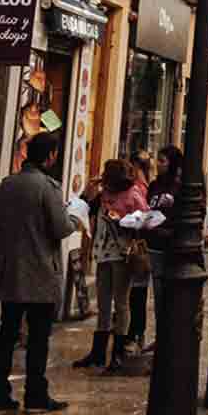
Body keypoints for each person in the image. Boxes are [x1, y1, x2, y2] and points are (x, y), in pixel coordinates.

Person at [0, 132, 83, 413]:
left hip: (10, 269)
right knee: (38, 338)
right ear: (51, 156)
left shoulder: (7, 184)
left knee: (7, 334)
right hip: (40, 271)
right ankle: (36, 395)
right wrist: (75, 217)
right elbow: (61, 228)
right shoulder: (47, 187)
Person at [74, 159, 149, 372]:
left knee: (121, 302)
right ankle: (97, 353)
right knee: (103, 303)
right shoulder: (104, 194)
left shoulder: (132, 194)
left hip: (122, 254)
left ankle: (117, 354)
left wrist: (123, 221)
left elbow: (145, 220)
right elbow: (85, 209)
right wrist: (90, 190)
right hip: (102, 253)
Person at [143, 145, 184, 354]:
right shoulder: (154, 185)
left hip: (168, 248)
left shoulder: (180, 188)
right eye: (157, 160)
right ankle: (161, 337)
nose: (158, 165)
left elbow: (180, 218)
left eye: (162, 161)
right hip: (152, 246)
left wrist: (165, 229)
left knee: (166, 296)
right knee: (157, 296)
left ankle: (167, 339)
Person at [126, 151, 153, 351]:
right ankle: (136, 330)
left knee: (136, 292)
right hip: (141, 245)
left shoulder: (139, 189)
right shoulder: (148, 187)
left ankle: (135, 331)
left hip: (138, 246)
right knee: (137, 291)